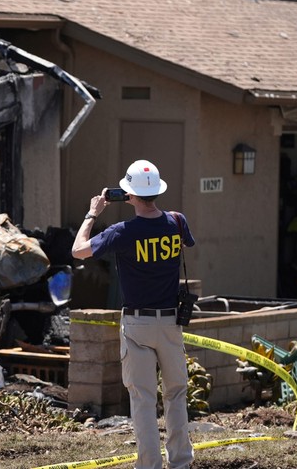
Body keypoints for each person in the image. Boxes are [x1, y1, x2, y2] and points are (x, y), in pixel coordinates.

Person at [71, 159, 195, 469]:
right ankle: (181, 463)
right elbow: (178, 240)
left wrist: (92, 214)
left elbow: (78, 251)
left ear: (129, 193)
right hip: (170, 322)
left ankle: (149, 466)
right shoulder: (177, 222)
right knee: (176, 395)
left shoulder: (121, 232)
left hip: (137, 323)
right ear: (157, 190)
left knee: (142, 400)